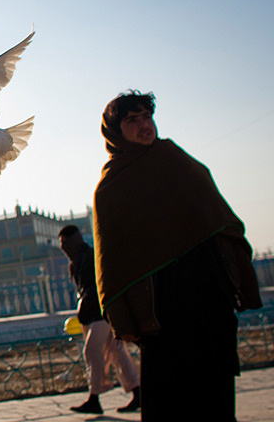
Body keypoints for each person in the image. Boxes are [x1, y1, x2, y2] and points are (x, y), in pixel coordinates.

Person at [92, 90, 262, 421]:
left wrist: (238, 277)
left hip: (209, 295)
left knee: (216, 395)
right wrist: (124, 319)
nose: (144, 125)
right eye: (132, 120)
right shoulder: (113, 188)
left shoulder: (175, 160)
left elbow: (220, 220)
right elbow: (111, 264)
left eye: (146, 117)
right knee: (169, 397)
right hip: (160, 307)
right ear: (115, 131)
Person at [58, 225, 140, 415]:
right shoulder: (78, 261)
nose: (63, 248)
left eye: (64, 243)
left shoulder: (88, 258)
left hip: (101, 313)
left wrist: (87, 303)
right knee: (118, 352)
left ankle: (94, 397)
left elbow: (96, 286)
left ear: (74, 241)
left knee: (92, 349)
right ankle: (137, 391)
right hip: (98, 313)